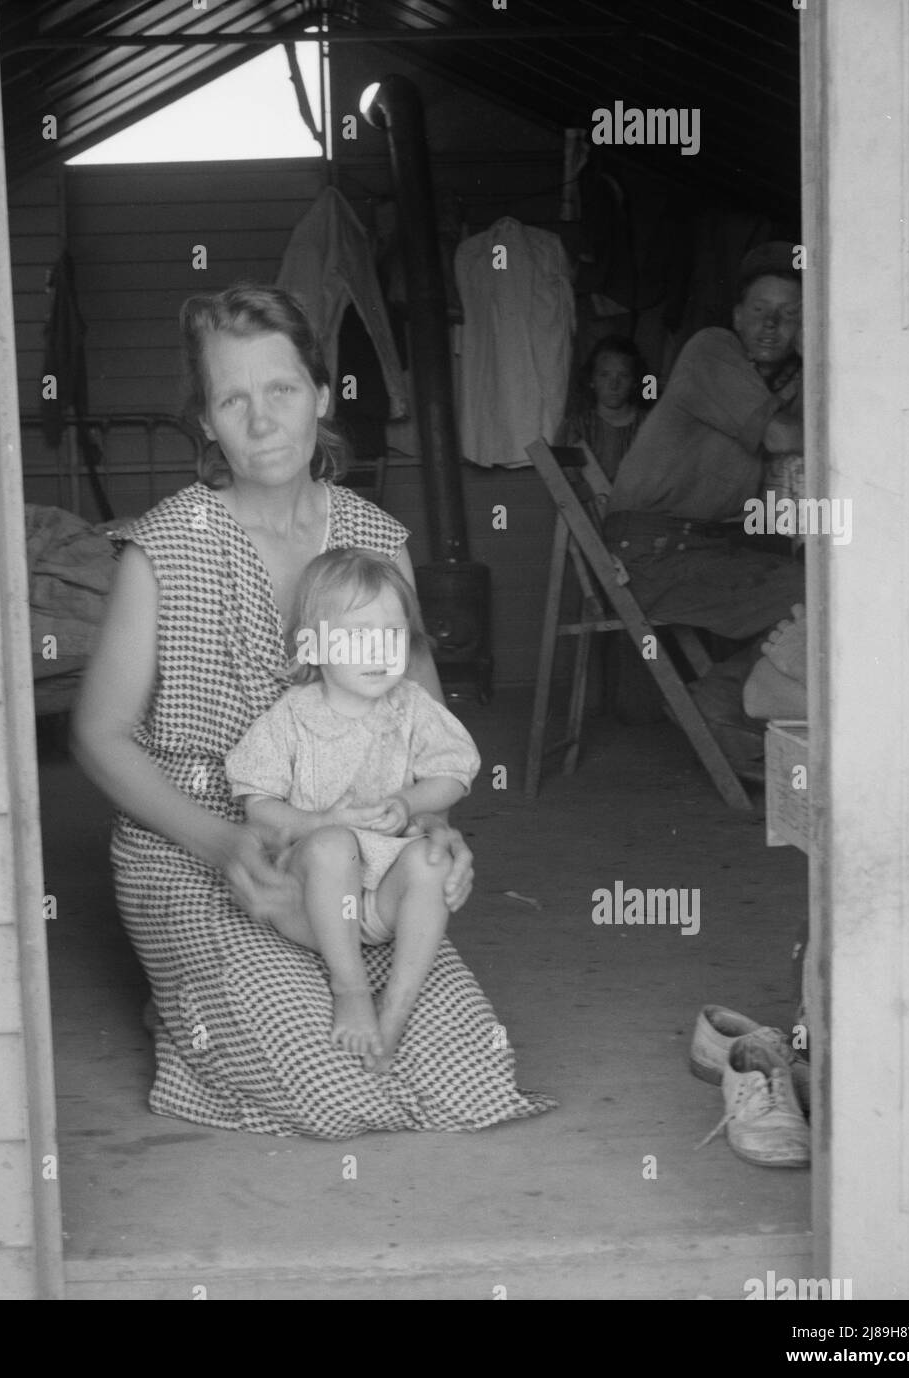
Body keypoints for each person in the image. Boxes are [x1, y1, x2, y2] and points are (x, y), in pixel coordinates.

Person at [72, 283, 554, 1138]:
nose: (261, 421)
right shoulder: (165, 546)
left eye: (282, 390)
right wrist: (223, 843)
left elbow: (423, 724)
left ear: (323, 397)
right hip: (200, 848)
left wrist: (439, 829)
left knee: (468, 1077)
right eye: (233, 398)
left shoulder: (374, 539)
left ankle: (235, 1004)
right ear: (207, 423)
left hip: (353, 850)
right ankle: (186, 1005)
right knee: (336, 1089)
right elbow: (99, 736)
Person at [224, 547, 481, 1071]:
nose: (378, 651)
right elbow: (259, 808)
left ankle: (395, 1012)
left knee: (432, 862)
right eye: (356, 636)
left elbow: (455, 774)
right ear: (313, 645)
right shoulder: (291, 717)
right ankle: (352, 990)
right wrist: (320, 822)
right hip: (309, 905)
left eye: (392, 634)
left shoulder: (411, 707)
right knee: (335, 846)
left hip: (382, 901)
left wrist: (410, 800)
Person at [603, 242, 807, 779]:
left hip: (691, 545)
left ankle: (729, 705)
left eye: (789, 316)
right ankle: (715, 702)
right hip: (649, 554)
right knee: (822, 595)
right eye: (760, 311)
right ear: (737, 316)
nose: (771, 325)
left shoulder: (770, 383)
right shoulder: (711, 349)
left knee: (822, 586)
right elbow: (786, 436)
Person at [557, 334, 651, 481]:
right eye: (605, 375)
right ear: (591, 380)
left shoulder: (650, 423)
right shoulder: (576, 426)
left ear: (634, 381)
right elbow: (565, 481)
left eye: (624, 375)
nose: (614, 385)